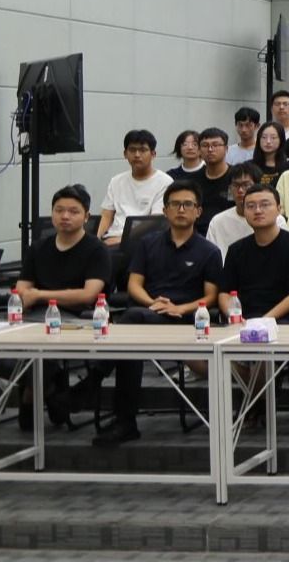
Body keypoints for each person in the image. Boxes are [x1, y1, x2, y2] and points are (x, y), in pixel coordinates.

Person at [94, 181, 221, 446]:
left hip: (185, 320)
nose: (181, 210)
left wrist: (179, 308)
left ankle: (95, 382)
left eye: (187, 204)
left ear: (198, 211)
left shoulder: (209, 251)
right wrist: (153, 303)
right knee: (131, 334)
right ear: (165, 211)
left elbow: (211, 297)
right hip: (149, 313)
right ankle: (125, 421)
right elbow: (134, 285)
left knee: (130, 324)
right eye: (175, 204)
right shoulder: (147, 243)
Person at [15, 184, 109, 428]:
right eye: (59, 210)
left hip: (75, 319)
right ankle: (49, 388)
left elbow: (88, 295)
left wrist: (39, 295)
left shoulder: (96, 249)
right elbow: (22, 289)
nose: (65, 216)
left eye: (73, 211)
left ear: (86, 216)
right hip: (33, 315)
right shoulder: (38, 247)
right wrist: (28, 297)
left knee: (39, 347)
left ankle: (30, 396)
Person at [219, 185, 289, 326]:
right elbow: (225, 293)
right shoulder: (236, 250)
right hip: (243, 322)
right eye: (250, 206)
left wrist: (262, 321)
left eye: (265, 205)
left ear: (279, 209)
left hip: (283, 322)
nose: (258, 210)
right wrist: (234, 316)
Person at [98, 129, 172, 245]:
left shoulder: (165, 182)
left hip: (143, 242)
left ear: (153, 154)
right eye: (132, 150)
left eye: (143, 150)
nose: (137, 155)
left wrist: (123, 239)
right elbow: (106, 215)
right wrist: (95, 239)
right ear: (125, 154)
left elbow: (154, 222)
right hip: (112, 238)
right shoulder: (116, 181)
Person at [249, 121, 289, 190]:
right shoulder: (249, 166)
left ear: (281, 140)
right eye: (264, 137)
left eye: (273, 138)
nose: (268, 141)